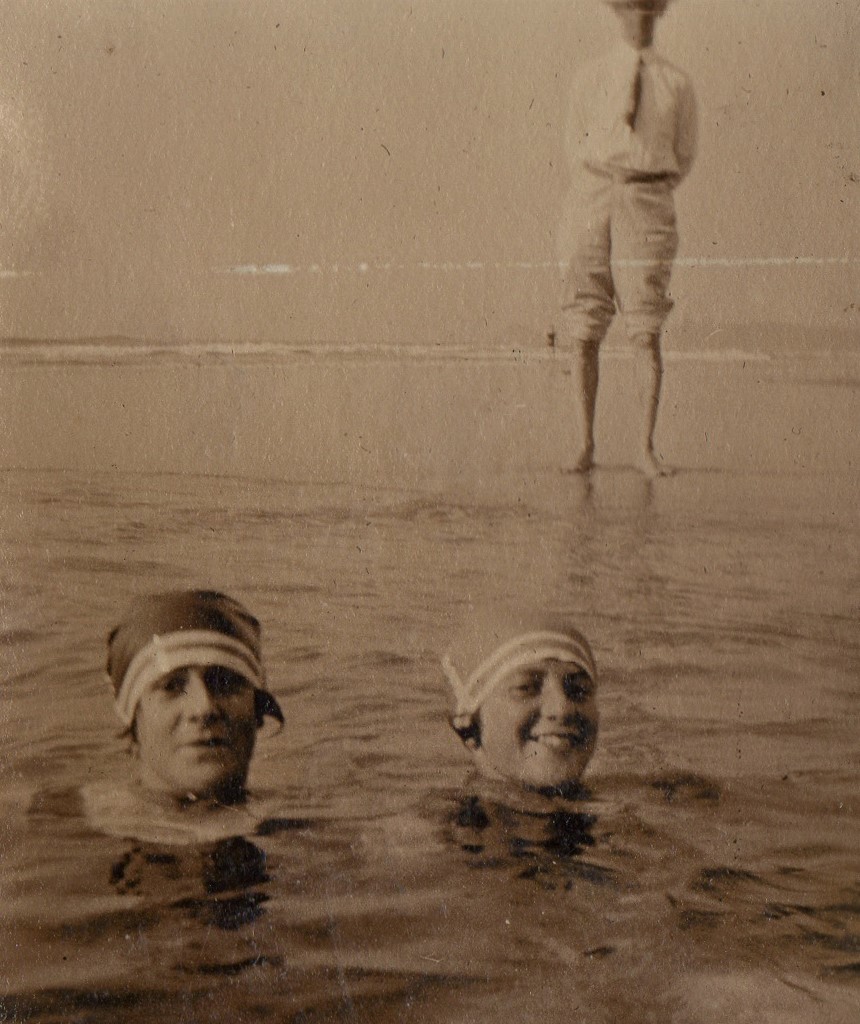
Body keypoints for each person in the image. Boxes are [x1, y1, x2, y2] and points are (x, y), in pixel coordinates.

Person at [555, 0, 697, 476]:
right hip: (592, 196)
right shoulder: (590, 76)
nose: (641, 17)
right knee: (584, 322)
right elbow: (575, 143)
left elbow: (684, 153)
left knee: (646, 326)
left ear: (659, 13)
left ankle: (645, 448)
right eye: (632, 8)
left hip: (648, 199)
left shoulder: (675, 83)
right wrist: (602, 186)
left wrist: (643, 188)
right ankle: (583, 443)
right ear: (618, 13)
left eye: (649, 8)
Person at [82, 589, 293, 843]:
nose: (204, 708)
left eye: (225, 683)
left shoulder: (297, 826)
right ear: (133, 717)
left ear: (256, 711)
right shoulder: (64, 822)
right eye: (172, 686)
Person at [441, 604, 598, 795]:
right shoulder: (440, 823)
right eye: (526, 688)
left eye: (579, 689)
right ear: (467, 726)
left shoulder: (624, 820)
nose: (562, 708)